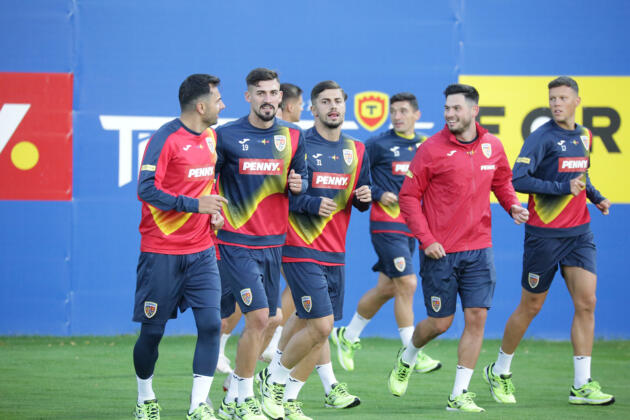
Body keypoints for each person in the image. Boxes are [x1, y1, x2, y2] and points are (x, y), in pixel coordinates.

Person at [388, 83, 529, 412]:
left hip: (479, 249)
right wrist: (427, 240)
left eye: (456, 108)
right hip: (440, 252)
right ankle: (408, 355)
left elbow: (501, 181)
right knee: (440, 323)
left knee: (477, 318)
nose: (449, 114)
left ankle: (459, 394)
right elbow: (408, 198)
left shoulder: (493, 146)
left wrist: (512, 205)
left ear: (473, 110)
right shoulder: (431, 149)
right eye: (447, 109)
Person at [484, 76, 614, 406]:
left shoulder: (585, 135)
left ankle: (581, 385)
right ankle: (499, 370)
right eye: (552, 98)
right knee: (531, 306)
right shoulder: (541, 137)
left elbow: (581, 176)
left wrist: (596, 196)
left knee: (587, 303)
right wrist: (561, 189)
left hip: (579, 234)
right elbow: (518, 179)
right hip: (544, 237)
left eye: (562, 98)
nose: (556, 103)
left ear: (576, 101)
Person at [258, 80, 371, 420]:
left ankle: (288, 398)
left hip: (335, 251)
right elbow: (280, 195)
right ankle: (274, 382)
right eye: (325, 101)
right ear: (313, 108)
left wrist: (364, 198)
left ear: (345, 106)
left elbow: (358, 195)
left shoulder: (357, 150)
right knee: (322, 327)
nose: (332, 106)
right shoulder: (298, 143)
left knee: (315, 329)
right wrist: (310, 203)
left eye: (338, 101)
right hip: (299, 247)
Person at [214, 68, 307, 420]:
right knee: (257, 318)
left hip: (273, 243)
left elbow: (302, 181)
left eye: (273, 93)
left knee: (273, 318)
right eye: (261, 93)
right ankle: (245, 398)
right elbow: (207, 180)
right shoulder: (226, 136)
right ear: (248, 97)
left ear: (280, 97)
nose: (268, 99)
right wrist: (212, 211)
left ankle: (231, 396)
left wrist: (300, 185)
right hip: (236, 241)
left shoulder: (293, 137)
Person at [133, 73, 227, 420]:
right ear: (201, 106)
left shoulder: (212, 137)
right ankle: (145, 399)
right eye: (218, 99)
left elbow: (208, 183)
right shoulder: (165, 139)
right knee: (152, 332)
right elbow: (146, 189)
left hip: (202, 250)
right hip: (161, 251)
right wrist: (195, 205)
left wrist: (214, 211)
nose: (223, 105)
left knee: (212, 325)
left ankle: (197, 405)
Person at [331, 92, 441, 374]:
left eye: (403, 111)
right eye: (394, 112)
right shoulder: (378, 144)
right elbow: (357, 178)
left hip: (412, 227)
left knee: (387, 288)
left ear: (417, 115)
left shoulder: (427, 145)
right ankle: (411, 353)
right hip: (386, 225)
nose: (398, 116)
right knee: (408, 284)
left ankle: (348, 335)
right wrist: (379, 193)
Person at [260, 82, 305, 363]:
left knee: (300, 292)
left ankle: (273, 342)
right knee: (300, 289)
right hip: (276, 227)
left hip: (284, 225)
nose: (302, 109)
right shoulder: (277, 136)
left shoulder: (297, 136)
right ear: (289, 105)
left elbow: (303, 181)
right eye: (300, 104)